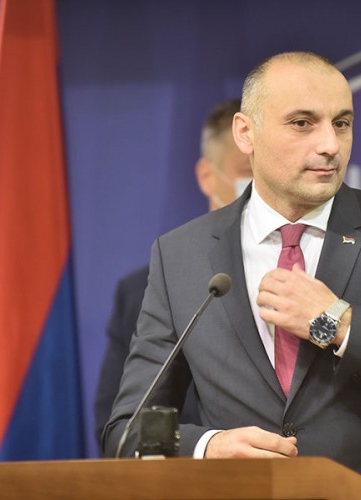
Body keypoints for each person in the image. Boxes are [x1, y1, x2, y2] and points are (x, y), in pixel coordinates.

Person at [102, 52, 361, 499]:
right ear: (245, 133)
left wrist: (339, 323)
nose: (330, 145)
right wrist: (208, 447)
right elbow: (126, 431)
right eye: (302, 123)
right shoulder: (180, 255)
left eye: (342, 123)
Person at [93, 98, 251, 444]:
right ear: (208, 176)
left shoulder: (305, 277)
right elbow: (120, 429)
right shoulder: (142, 291)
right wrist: (206, 448)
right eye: (247, 172)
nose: (260, 188)